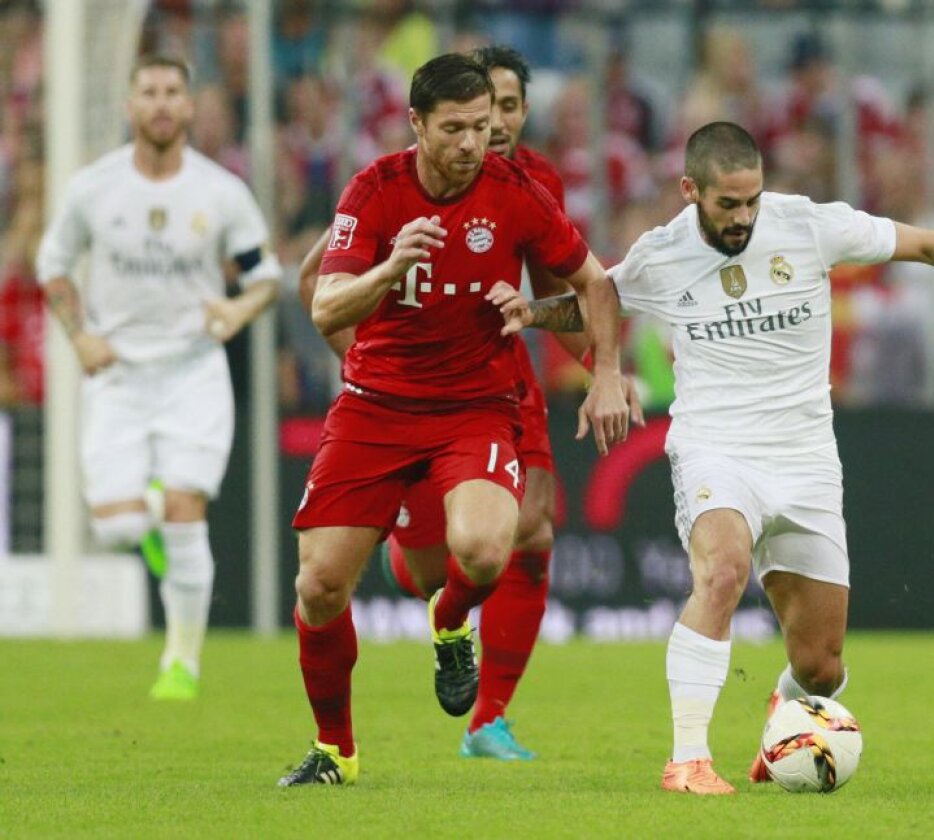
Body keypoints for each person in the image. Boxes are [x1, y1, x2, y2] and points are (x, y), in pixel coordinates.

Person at [493, 121, 934, 794]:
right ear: (691, 191)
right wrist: (535, 312)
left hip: (805, 456)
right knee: (722, 573)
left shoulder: (806, 226)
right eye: (728, 204)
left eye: (752, 200)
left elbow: (924, 243)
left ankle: (782, 725)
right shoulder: (662, 254)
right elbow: (597, 296)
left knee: (822, 668)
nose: (743, 217)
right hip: (715, 443)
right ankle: (687, 758)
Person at [279, 52, 628, 787]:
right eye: (456, 128)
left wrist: (604, 374)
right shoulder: (373, 191)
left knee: (487, 549)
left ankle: (450, 626)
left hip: (475, 406)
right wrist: (387, 269)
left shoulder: (516, 190)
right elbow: (322, 303)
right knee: (317, 587)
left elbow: (595, 283)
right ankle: (335, 749)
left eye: (485, 124)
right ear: (416, 124)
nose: (475, 142)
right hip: (375, 406)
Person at [35, 54, 281, 700]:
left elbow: (266, 275)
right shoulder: (95, 188)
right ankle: (148, 516)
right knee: (117, 525)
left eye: (174, 90)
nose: (162, 102)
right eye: (149, 91)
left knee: (185, 510)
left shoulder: (219, 192)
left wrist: (236, 307)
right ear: (129, 105)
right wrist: (80, 335)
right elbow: (53, 264)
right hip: (115, 373)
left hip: (192, 371)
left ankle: (182, 662)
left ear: (191, 105)